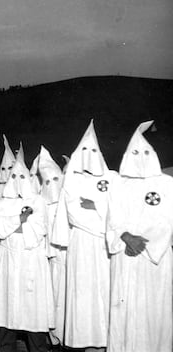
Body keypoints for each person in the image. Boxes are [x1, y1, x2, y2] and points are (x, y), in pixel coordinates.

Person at [106, 121, 172, 352]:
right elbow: (112, 218)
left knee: (152, 313)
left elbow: (168, 221)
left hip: (156, 258)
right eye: (135, 152)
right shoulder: (118, 184)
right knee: (124, 312)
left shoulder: (167, 184)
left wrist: (143, 243)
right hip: (125, 256)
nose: (140, 157)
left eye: (146, 152)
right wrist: (124, 236)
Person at [52, 120, 116, 350]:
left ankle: (106, 342)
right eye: (85, 151)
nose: (89, 156)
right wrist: (104, 213)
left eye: (94, 151)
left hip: (107, 247)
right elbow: (74, 213)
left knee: (106, 292)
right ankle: (84, 341)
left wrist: (96, 206)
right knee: (83, 293)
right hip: (83, 244)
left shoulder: (111, 178)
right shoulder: (73, 179)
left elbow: (120, 209)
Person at [0, 158, 53, 352]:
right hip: (8, 260)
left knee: (33, 310)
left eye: (22, 176)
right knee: (7, 307)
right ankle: (7, 347)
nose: (18, 180)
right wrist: (20, 219)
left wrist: (12, 226)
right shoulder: (3, 202)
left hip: (31, 261)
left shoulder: (38, 201)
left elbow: (38, 229)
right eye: (14, 176)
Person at [34, 146, 65, 346]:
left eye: (55, 180)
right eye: (47, 181)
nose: (51, 185)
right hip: (50, 259)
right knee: (52, 299)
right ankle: (54, 337)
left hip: (70, 259)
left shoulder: (68, 201)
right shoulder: (40, 205)